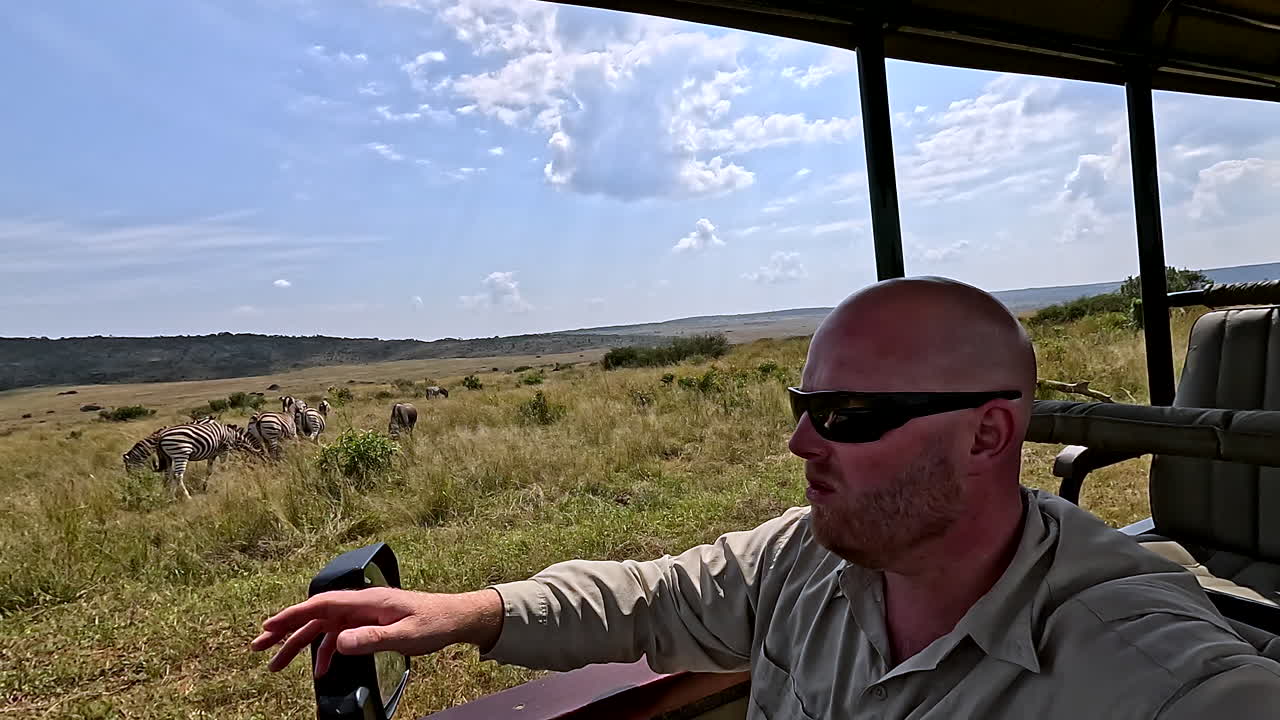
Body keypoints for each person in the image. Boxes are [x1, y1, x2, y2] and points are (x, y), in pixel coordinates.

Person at [251, 277, 1280, 717]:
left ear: (987, 435)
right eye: (802, 404)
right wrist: (462, 613)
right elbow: (651, 599)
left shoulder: (1146, 673)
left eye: (845, 415)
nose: (797, 440)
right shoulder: (811, 558)